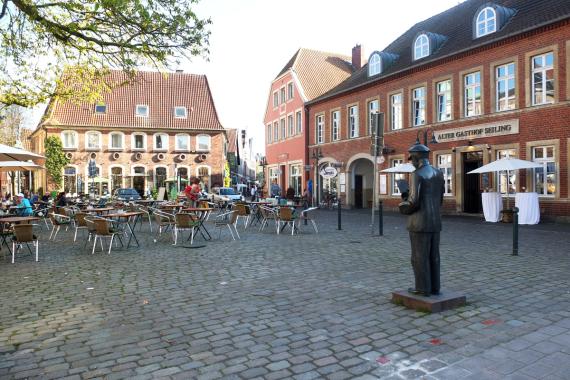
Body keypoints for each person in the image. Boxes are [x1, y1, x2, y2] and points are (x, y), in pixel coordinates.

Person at [398, 143, 445, 297]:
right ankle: (435, 287)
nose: (411, 162)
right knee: (434, 256)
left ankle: (423, 288)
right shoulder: (438, 173)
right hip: (435, 221)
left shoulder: (417, 174)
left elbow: (414, 202)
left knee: (419, 256)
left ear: (416, 157)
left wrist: (402, 205)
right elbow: (440, 199)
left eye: (412, 159)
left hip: (419, 222)